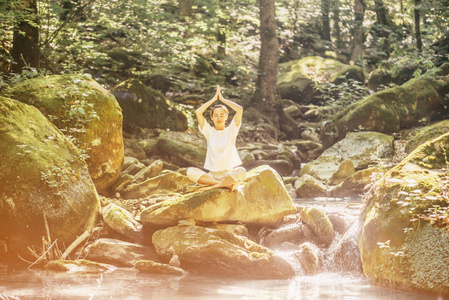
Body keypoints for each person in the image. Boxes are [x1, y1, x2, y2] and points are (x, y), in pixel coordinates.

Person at [187, 85, 246, 191]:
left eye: (222, 115)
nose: (219, 118)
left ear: (226, 117)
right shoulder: (209, 131)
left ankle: (215, 186)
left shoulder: (231, 130)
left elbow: (239, 109)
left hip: (228, 174)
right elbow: (198, 112)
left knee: (241, 171)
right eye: (216, 115)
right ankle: (222, 184)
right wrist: (214, 99)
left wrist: (222, 100)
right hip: (211, 176)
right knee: (190, 171)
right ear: (212, 117)